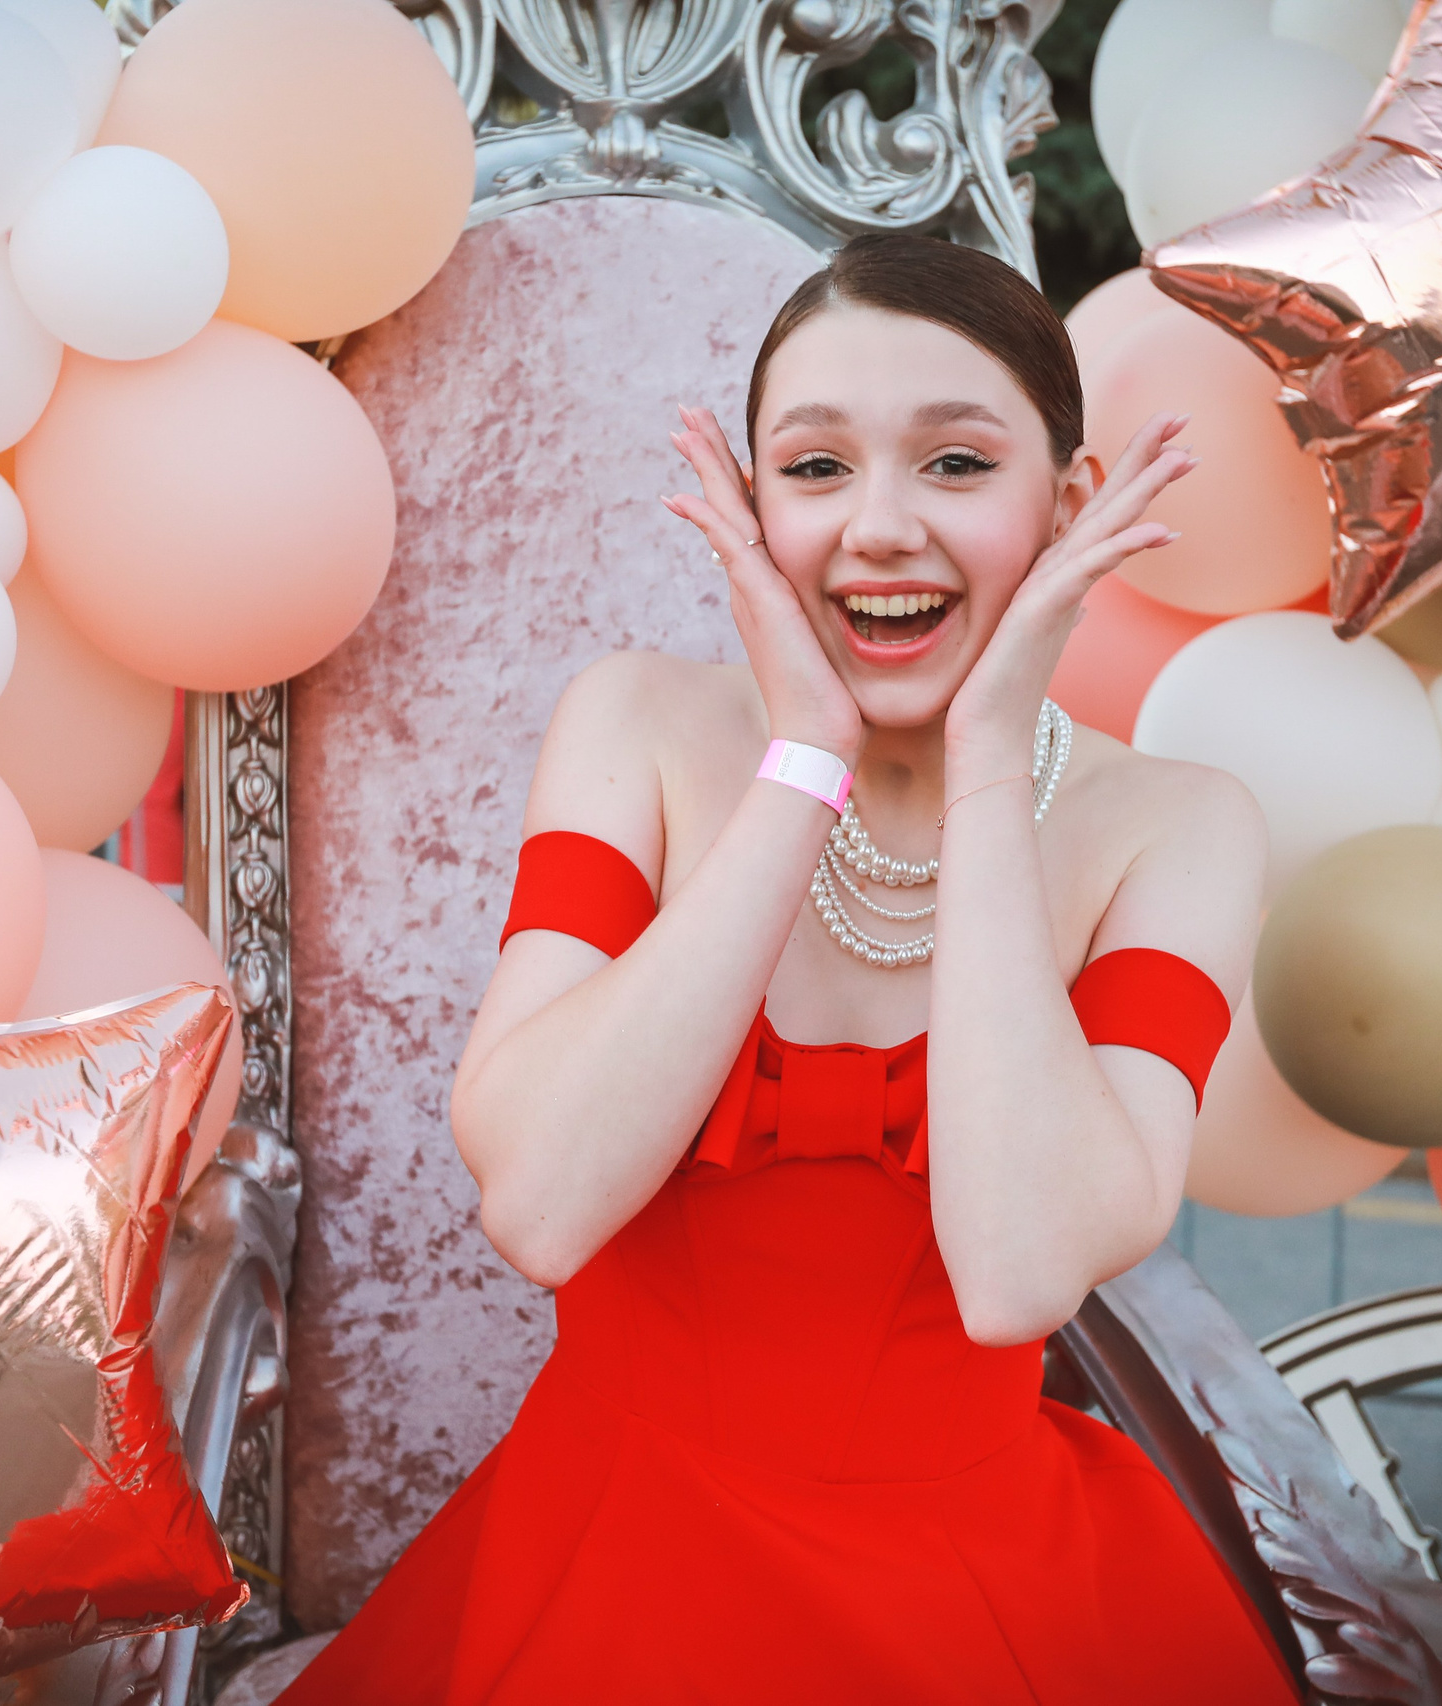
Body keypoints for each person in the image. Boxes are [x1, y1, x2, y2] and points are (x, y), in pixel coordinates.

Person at [275, 233, 1292, 1704]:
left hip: (995, 1600)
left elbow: (1016, 1273)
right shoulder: (636, 726)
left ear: (1068, 504)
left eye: (956, 464)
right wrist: (801, 762)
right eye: (816, 470)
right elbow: (545, 1205)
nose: (879, 527)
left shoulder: (1179, 828)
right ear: (750, 507)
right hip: (611, 1561)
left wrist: (992, 758)